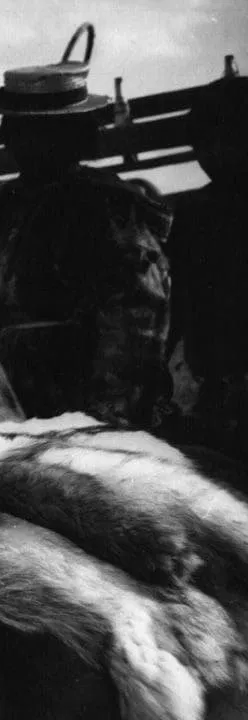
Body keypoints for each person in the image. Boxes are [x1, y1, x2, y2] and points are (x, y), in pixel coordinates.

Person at [0, 35, 173, 428]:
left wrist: (108, 419)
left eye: (41, 131)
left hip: (82, 406)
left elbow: (136, 317)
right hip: (9, 401)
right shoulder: (4, 206)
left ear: (72, 135)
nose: (23, 143)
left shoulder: (105, 205)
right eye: (17, 129)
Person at [166, 61, 248, 459]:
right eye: (202, 146)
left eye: (230, 140)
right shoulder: (194, 210)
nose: (212, 155)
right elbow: (179, 296)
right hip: (218, 383)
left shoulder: (197, 209)